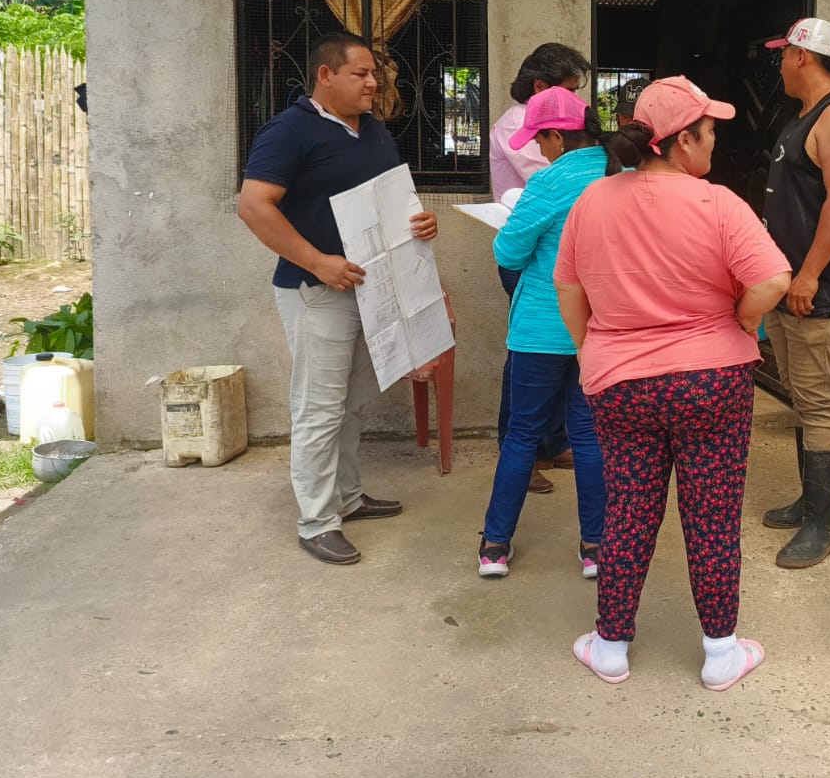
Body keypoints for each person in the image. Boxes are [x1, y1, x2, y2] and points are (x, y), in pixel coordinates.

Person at [555, 76, 791, 689]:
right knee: (712, 515)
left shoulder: (593, 201)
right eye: (709, 132)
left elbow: (568, 287)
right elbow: (772, 279)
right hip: (711, 380)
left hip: (621, 383)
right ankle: (720, 653)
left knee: (628, 511)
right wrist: (743, 320)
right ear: (683, 140)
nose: (714, 142)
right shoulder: (718, 203)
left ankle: (610, 646)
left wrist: (590, 350)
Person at [238, 30, 438, 566]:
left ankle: (348, 497)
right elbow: (254, 206)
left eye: (375, 74)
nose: (374, 83)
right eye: (361, 73)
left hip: (371, 289)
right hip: (317, 291)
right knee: (319, 408)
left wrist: (421, 222)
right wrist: (316, 261)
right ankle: (317, 521)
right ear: (325, 75)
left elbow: (390, 201)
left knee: (353, 403)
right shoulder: (289, 130)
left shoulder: (373, 131)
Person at [478, 87, 614, 580]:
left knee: (521, 434)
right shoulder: (619, 174)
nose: (538, 149)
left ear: (558, 135)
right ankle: (595, 547)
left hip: (542, 327)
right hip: (599, 328)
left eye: (540, 139)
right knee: (589, 435)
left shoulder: (550, 182)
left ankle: (495, 546)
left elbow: (509, 252)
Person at [758, 19, 830, 569]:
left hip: (819, 290)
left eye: (783, 54)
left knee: (821, 401)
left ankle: (824, 525)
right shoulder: (806, 115)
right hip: (793, 287)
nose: (779, 63)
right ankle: (812, 501)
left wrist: (809, 275)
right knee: (802, 396)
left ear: (802, 56)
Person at [488, 42, 591, 494]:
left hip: (559, 253)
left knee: (563, 354)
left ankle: (550, 442)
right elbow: (552, 184)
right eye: (569, 91)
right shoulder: (521, 126)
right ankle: (521, 450)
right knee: (529, 357)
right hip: (532, 255)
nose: (577, 102)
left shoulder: (555, 130)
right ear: (539, 87)